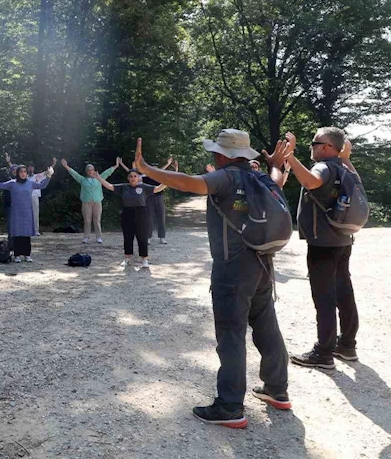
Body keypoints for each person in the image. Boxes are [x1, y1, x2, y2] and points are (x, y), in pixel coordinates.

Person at [133, 130, 291, 428]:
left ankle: (230, 407)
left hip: (233, 268)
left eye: (215, 151)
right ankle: (276, 389)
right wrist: (277, 164)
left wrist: (146, 169)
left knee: (231, 335)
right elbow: (278, 180)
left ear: (224, 155)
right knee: (266, 326)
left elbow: (193, 184)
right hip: (263, 263)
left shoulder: (227, 176)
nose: (213, 156)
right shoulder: (259, 177)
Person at [280, 128, 361, 368]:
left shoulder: (324, 167)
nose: (312, 146)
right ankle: (346, 345)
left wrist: (290, 156)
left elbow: (311, 181)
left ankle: (323, 353)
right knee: (344, 291)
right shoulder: (344, 167)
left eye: (315, 142)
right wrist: (346, 157)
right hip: (343, 239)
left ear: (327, 147)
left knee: (323, 296)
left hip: (322, 242)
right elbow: (357, 183)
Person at [94, 163, 166, 268]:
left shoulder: (144, 187)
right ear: (128, 178)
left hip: (141, 213)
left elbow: (158, 189)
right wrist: (99, 178)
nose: (133, 178)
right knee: (128, 237)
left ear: (138, 178)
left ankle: (144, 260)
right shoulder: (124, 187)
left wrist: (168, 181)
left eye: (135, 176)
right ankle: (127, 258)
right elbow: (109, 186)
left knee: (142, 237)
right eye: (131, 176)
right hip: (127, 213)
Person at [0, 164, 53, 262]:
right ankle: (17, 255)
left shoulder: (30, 183)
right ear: (17, 173)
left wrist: (49, 176)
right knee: (17, 234)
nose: (23, 174)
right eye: (21, 172)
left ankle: (27, 255)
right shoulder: (12, 183)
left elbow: (42, 185)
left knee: (26, 235)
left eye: (25, 172)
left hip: (27, 212)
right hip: (16, 213)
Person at [60, 158, 119, 243]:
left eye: (91, 170)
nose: (90, 171)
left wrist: (116, 166)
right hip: (86, 202)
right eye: (88, 170)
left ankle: (99, 237)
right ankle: (86, 237)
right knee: (87, 220)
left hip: (97, 201)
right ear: (86, 171)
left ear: (94, 170)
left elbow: (107, 172)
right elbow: (74, 173)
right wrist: (66, 166)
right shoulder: (82, 179)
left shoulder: (99, 178)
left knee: (97, 220)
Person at [6, 155, 57, 236]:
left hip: (34, 197)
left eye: (31, 167)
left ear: (33, 168)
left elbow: (48, 172)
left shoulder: (37, 176)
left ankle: (36, 230)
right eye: (29, 167)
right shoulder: (22, 176)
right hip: (24, 198)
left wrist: (54, 163)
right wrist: (9, 162)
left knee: (35, 213)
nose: (30, 168)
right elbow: (15, 170)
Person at [143, 158, 177, 245]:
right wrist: (168, 164)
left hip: (159, 198)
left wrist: (175, 168)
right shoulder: (145, 177)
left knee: (161, 217)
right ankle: (148, 237)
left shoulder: (160, 177)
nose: (155, 169)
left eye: (156, 168)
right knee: (149, 218)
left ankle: (162, 237)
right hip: (149, 198)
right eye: (153, 168)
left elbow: (171, 176)